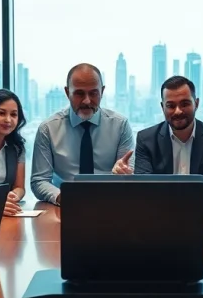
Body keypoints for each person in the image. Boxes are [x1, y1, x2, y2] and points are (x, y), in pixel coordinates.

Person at [116, 76, 203, 207]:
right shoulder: (146, 139)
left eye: (185, 104)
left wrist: (199, 201)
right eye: (171, 105)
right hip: (161, 211)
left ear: (196, 104)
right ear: (162, 107)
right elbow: (145, 183)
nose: (178, 111)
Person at [31, 63, 133, 205]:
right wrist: (63, 197)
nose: (86, 101)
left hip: (109, 204)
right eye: (79, 93)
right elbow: (39, 181)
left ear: (102, 92)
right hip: (65, 206)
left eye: (93, 93)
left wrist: (125, 174)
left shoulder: (120, 125)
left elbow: (128, 175)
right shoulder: (48, 129)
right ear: (67, 93)